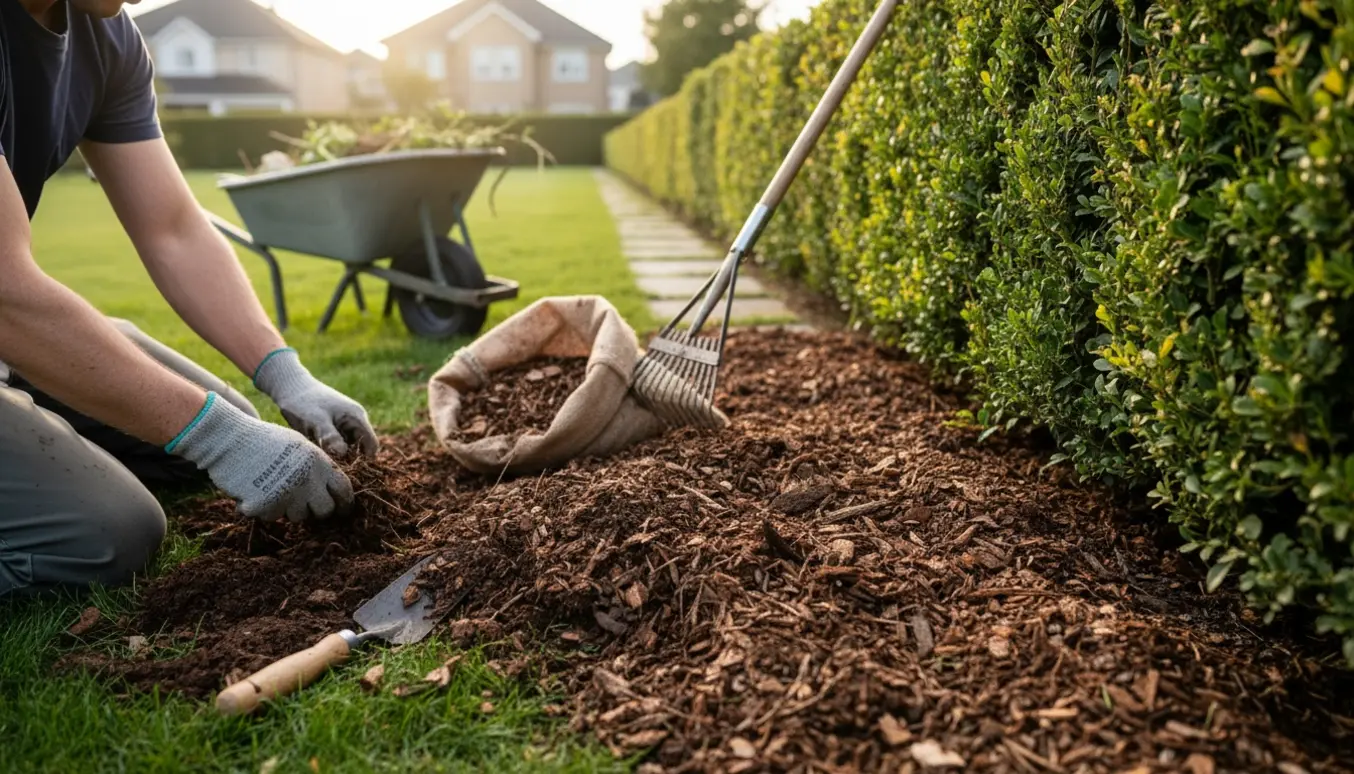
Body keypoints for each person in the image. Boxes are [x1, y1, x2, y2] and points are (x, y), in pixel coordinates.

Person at [0, 0, 380, 599]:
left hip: (11, 331)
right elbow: (5, 291)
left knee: (225, 428)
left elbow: (172, 229)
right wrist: (219, 438)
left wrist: (287, 376)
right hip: (7, 311)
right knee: (113, 533)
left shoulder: (107, 36)